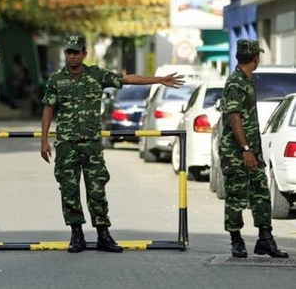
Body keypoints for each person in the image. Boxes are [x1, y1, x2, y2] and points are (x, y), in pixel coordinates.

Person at [40, 34, 185, 253]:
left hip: (91, 144)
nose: (71, 56)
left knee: (97, 189)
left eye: (75, 52)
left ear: (84, 54)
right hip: (66, 145)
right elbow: (48, 109)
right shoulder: (56, 80)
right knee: (69, 190)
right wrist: (44, 140)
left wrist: (159, 80)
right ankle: (76, 234)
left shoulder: (96, 75)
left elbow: (127, 80)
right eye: (68, 52)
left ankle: (103, 234)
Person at [219, 39, 288, 259]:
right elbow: (234, 117)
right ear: (255, 59)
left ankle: (265, 239)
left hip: (252, 151)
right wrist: (246, 148)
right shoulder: (236, 83)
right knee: (236, 197)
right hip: (236, 152)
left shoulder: (246, 80)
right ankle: (236, 241)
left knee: (261, 193)